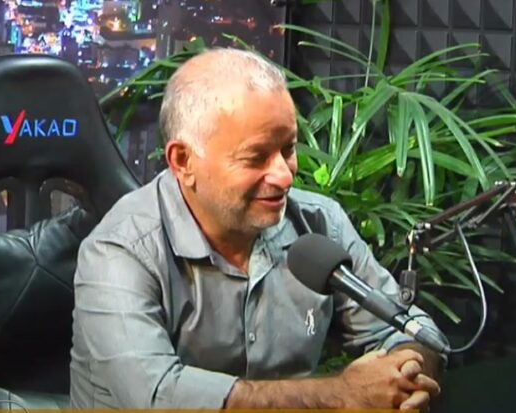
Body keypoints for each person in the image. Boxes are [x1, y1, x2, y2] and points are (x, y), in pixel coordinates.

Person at [70, 48, 443, 410]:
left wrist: (404, 376)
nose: (284, 175)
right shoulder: (120, 250)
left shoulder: (319, 223)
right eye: (256, 157)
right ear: (183, 161)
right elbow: (156, 397)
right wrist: (342, 396)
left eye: (288, 149)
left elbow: (414, 332)